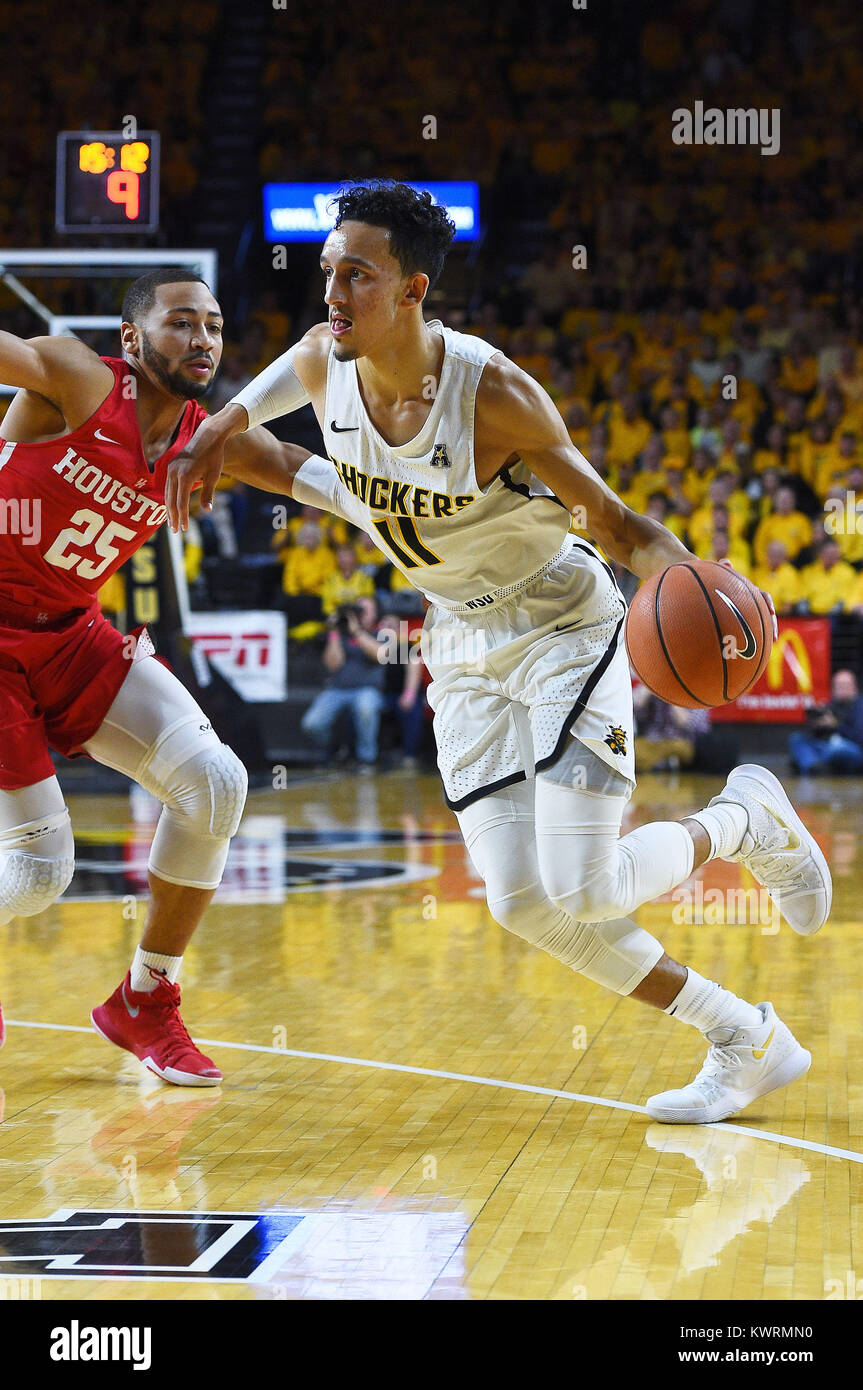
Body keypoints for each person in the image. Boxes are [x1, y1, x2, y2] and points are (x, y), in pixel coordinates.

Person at [166, 181, 832, 1126]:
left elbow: (617, 524)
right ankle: (745, 1038)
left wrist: (698, 588)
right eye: (328, 271)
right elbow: (288, 376)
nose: (333, 292)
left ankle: (744, 817)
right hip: (459, 642)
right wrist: (220, 429)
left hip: (561, 623)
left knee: (582, 885)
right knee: (523, 902)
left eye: (357, 274)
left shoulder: (495, 396)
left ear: (412, 289)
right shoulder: (326, 365)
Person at [0, 268, 315, 1082]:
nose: (202, 339)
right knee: (38, 874)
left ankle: (146, 998)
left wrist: (424, 499)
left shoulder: (205, 438)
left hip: (69, 634)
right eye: (181, 323)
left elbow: (294, 467)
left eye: (212, 325)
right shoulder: (79, 377)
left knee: (215, 782)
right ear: (133, 340)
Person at [300, 596, 385, 768]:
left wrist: (356, 632)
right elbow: (333, 665)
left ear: (375, 614)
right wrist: (334, 632)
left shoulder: (382, 633)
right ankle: (333, 749)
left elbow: (379, 655)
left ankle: (366, 759)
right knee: (312, 723)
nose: (359, 615)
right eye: (357, 610)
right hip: (337, 689)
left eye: (365, 610)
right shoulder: (340, 635)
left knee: (366, 709)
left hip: (367, 689)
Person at [789, 670, 863, 775]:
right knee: (796, 739)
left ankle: (814, 763)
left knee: (836, 748)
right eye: (838, 686)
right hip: (826, 744)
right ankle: (812, 767)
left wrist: (835, 725)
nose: (842, 689)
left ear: (854, 687)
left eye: (845, 685)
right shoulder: (830, 705)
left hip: (851, 748)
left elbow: (858, 736)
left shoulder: (859, 706)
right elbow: (814, 736)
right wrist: (817, 724)